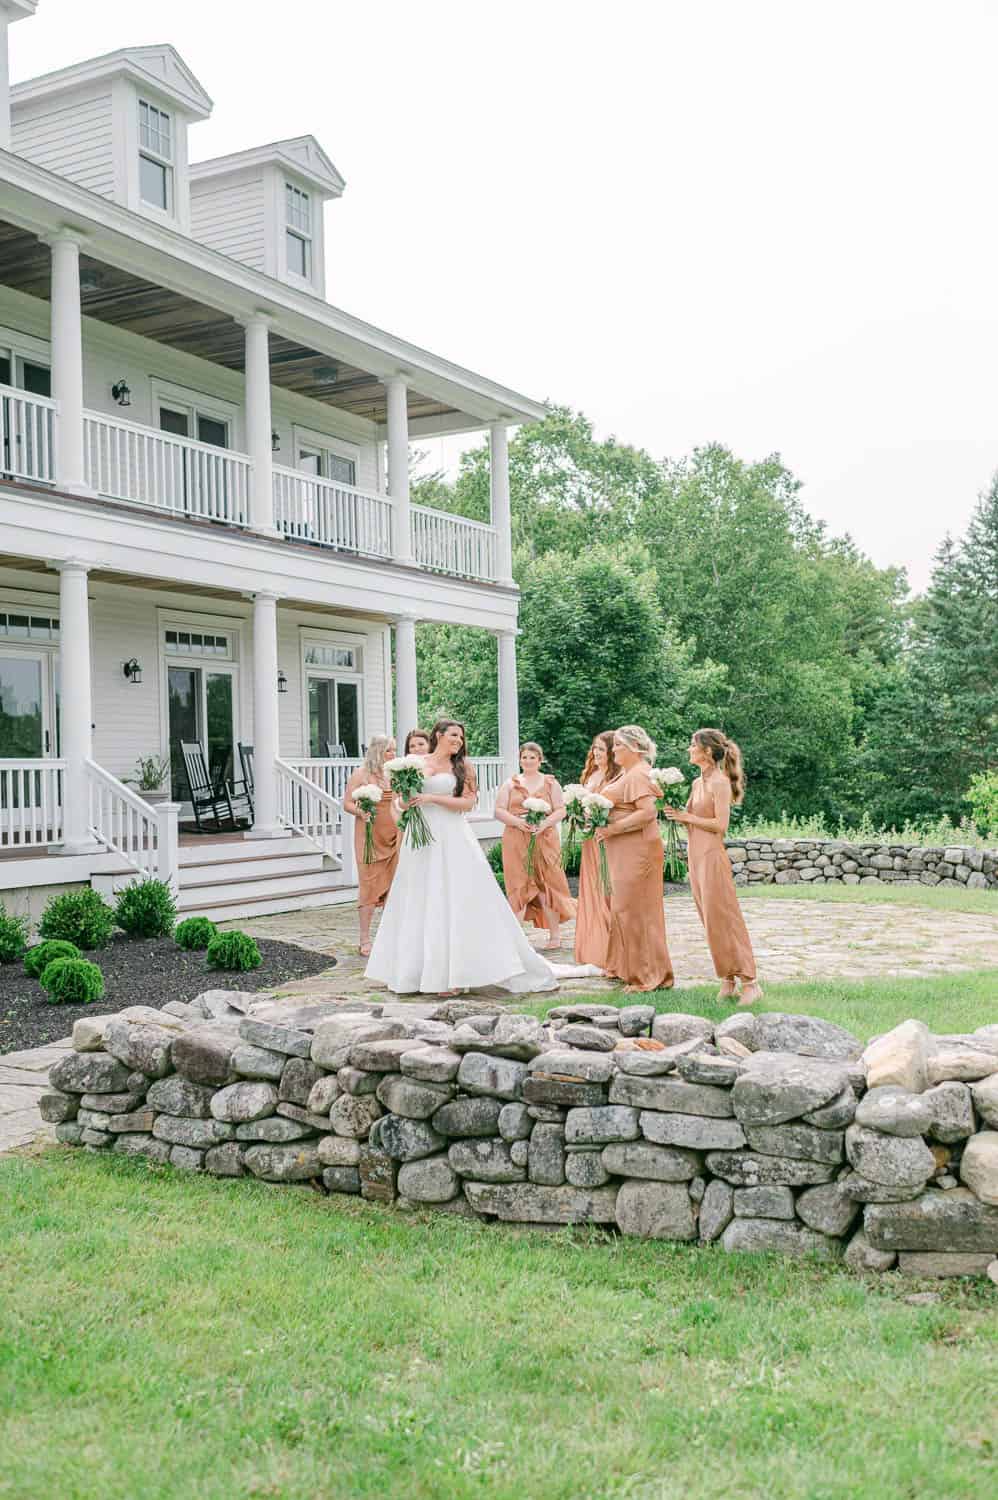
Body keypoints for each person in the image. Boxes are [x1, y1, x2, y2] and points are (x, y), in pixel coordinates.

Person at [366, 718, 558, 995]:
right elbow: (399, 800)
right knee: (419, 897)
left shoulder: (463, 767)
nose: (458, 741)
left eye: (461, 737)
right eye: (453, 735)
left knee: (455, 898)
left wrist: (433, 800)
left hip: (452, 836)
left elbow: (468, 803)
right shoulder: (415, 763)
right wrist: (404, 804)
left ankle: (456, 975)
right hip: (420, 841)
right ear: (439, 735)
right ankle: (415, 973)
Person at [663, 727, 761, 1005]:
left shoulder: (719, 782)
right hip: (695, 855)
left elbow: (720, 825)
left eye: (693, 746)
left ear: (706, 751)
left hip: (712, 856)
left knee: (725, 918)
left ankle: (750, 983)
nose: (688, 750)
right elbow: (688, 816)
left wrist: (687, 817)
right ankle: (727, 979)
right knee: (709, 920)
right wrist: (672, 810)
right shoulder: (697, 783)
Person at [598, 724, 674, 993]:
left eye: (618, 745)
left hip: (638, 849)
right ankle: (625, 967)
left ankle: (647, 976)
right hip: (622, 849)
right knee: (622, 908)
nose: (614, 749)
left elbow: (647, 814)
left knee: (637, 911)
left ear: (633, 747)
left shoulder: (639, 774)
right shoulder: (627, 773)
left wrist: (612, 828)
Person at [495, 741, 575, 948]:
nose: (528, 761)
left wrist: (544, 823)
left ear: (540, 760)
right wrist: (518, 823)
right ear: (520, 759)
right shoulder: (510, 784)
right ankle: (517, 940)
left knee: (547, 884)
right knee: (519, 884)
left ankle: (555, 935)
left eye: (532, 757)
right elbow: (499, 810)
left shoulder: (550, 784)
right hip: (516, 839)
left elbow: (560, 810)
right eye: (524, 757)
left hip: (545, 839)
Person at [343, 734, 399, 957]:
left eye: (394, 750)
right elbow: (347, 802)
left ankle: (388, 938)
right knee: (369, 887)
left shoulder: (394, 774)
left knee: (393, 888)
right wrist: (360, 812)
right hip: (369, 838)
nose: (393, 754)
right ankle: (364, 939)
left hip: (394, 836)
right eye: (389, 750)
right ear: (377, 751)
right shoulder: (361, 774)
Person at [573, 731, 616, 968]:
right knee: (591, 888)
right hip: (590, 837)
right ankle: (593, 946)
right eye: (595, 749)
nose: (596, 753)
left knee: (606, 887)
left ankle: (610, 946)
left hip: (606, 837)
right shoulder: (591, 774)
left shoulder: (615, 776)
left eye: (601, 749)